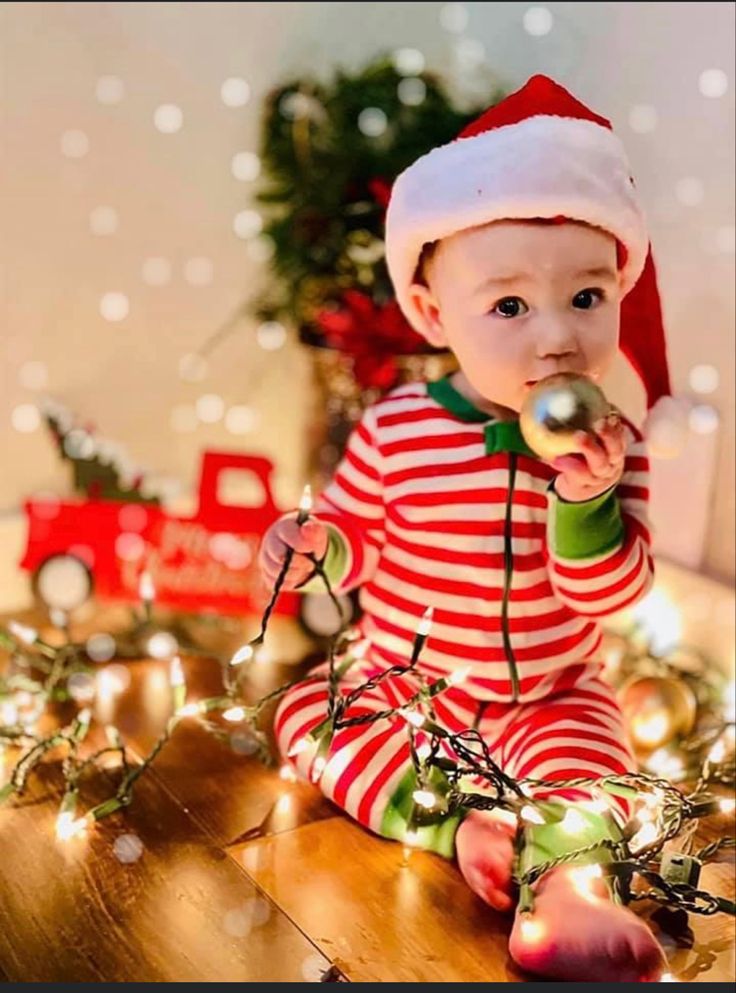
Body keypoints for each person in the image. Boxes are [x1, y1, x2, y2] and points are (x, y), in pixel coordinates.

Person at [258, 75, 686, 981]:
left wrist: (584, 500)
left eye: (586, 298)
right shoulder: (397, 427)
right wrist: (310, 549)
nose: (557, 340)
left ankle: (570, 886)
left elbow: (611, 591)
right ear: (429, 313)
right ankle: (459, 825)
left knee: (598, 767)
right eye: (508, 307)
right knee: (308, 715)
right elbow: (351, 537)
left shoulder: (615, 438)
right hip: (409, 687)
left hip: (550, 688)